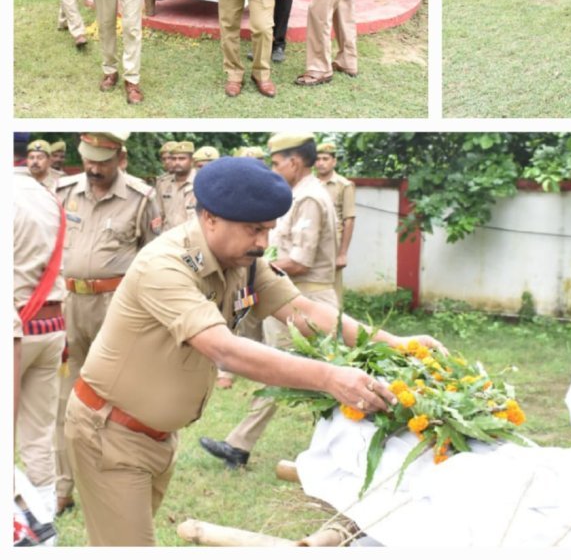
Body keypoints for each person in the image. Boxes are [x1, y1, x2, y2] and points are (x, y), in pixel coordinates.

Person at [64, 156, 443, 545]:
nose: (263, 242)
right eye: (254, 230)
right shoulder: (164, 265)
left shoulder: (241, 260)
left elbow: (305, 311)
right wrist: (330, 378)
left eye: (269, 230)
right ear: (210, 217)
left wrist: (398, 345)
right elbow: (224, 350)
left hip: (155, 437)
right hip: (110, 434)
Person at [199, 133, 341, 468]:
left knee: (282, 370)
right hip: (293, 292)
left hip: (302, 294)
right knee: (302, 374)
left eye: (276, 164)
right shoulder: (302, 194)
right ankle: (326, 451)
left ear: (294, 162)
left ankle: (240, 444)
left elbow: (300, 259)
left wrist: (252, 266)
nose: (274, 171)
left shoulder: (307, 198)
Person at [54, 132, 161, 516]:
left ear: (122, 158)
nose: (93, 167)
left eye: (102, 160)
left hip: (117, 307)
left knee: (118, 398)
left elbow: (155, 261)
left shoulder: (142, 198)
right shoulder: (64, 191)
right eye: (88, 158)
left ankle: (117, 484)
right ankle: (61, 488)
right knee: (65, 399)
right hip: (68, 305)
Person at [14, 173, 66, 519]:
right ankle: (43, 518)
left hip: (14, 324)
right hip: (51, 324)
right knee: (39, 435)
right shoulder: (46, 196)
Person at [315, 141, 356, 306]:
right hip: (312, 240)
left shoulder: (344, 185)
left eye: (325, 159)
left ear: (334, 161)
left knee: (332, 287)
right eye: (318, 159)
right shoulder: (310, 184)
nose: (321, 163)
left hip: (333, 242)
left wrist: (342, 253)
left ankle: (335, 325)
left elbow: (349, 219)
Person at [155, 140, 196, 230]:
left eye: (182, 159)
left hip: (192, 238)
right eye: (174, 159)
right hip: (168, 238)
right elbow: (158, 214)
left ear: (192, 161)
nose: (177, 162)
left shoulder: (201, 182)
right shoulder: (163, 183)